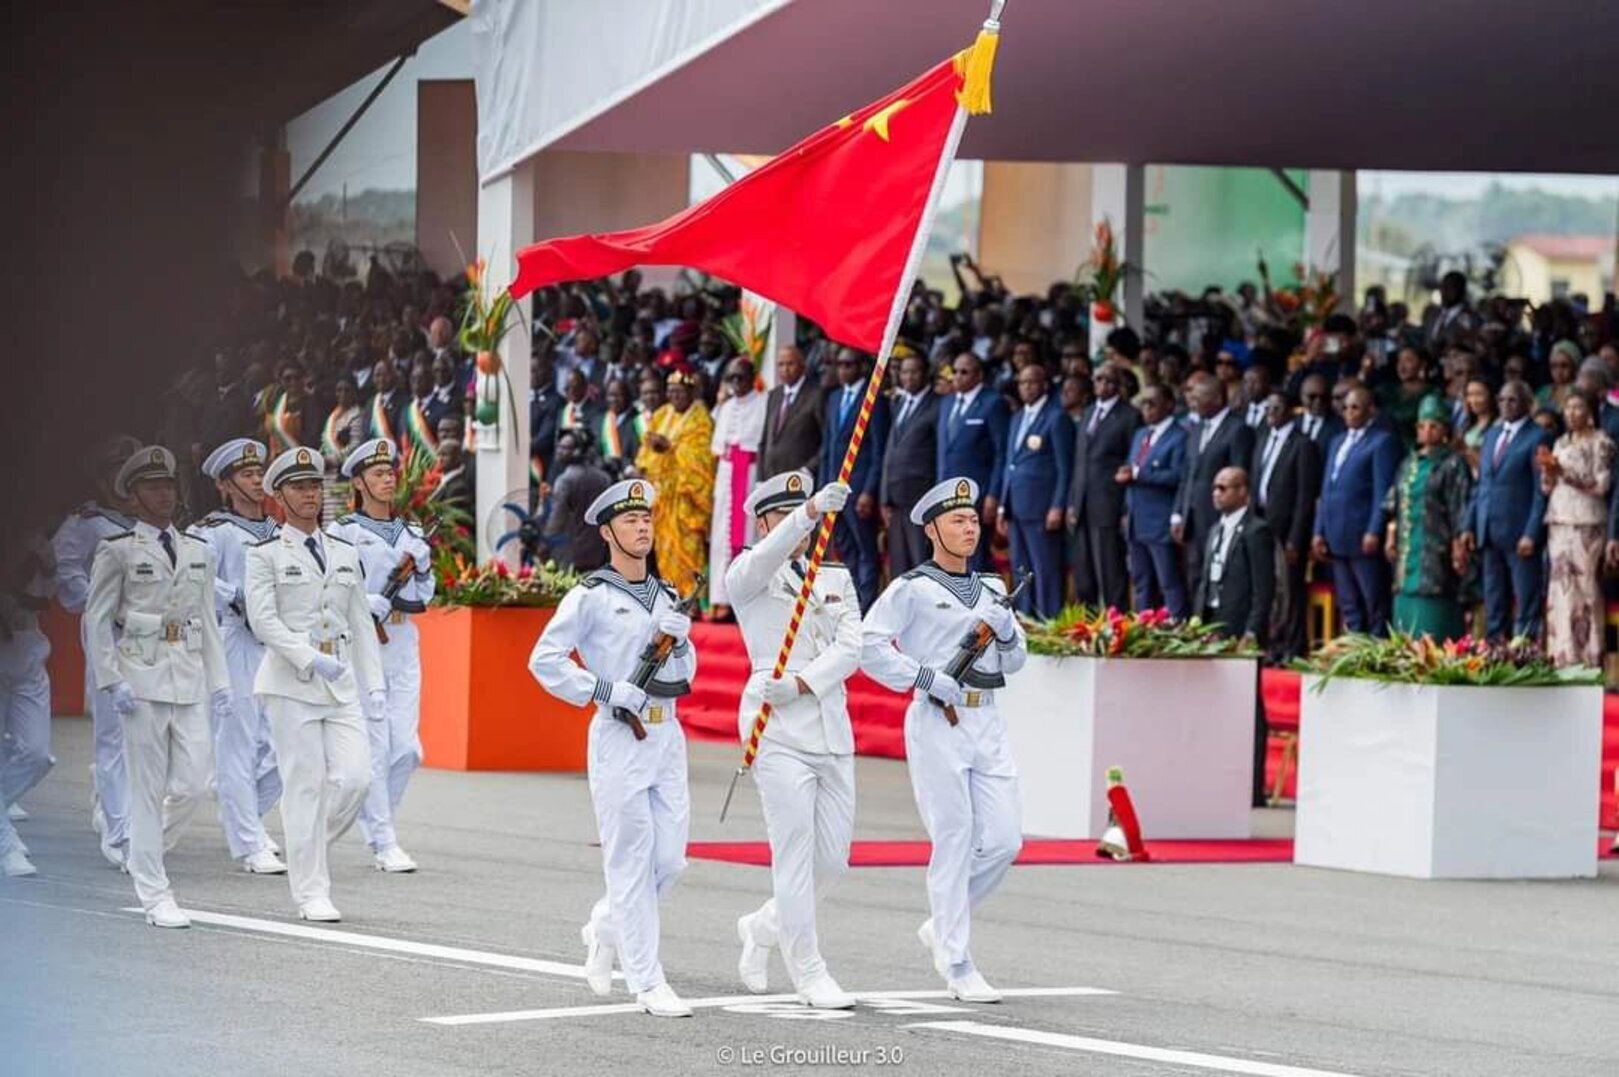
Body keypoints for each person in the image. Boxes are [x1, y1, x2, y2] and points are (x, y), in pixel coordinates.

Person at [527, 479, 698, 1019]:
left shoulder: (668, 594)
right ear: (606, 532)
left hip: (666, 734)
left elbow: (685, 674)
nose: (642, 527)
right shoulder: (591, 595)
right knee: (630, 861)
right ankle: (647, 981)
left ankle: (605, 927)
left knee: (669, 859)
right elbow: (545, 660)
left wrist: (682, 642)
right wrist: (603, 689)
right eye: (630, 521)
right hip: (620, 735)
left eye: (646, 519)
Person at [860, 476, 1026, 1003]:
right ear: (932, 529)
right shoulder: (913, 588)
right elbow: (868, 644)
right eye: (957, 520)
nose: (970, 528)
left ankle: (943, 920)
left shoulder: (995, 589)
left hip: (986, 719)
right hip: (938, 720)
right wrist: (924, 677)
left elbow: (1017, 660)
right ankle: (957, 961)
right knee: (954, 838)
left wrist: (1003, 631)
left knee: (1004, 839)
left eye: (973, 519)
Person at [727, 472, 860, 1008]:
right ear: (763, 522)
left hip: (827, 718)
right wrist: (806, 514)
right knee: (795, 855)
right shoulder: (747, 574)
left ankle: (762, 926)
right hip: (776, 727)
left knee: (833, 860)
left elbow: (853, 644)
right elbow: (765, 557)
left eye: (802, 516)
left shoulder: (833, 577)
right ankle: (809, 971)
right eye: (782, 517)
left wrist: (805, 682)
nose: (797, 527)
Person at [85, 446, 230, 928]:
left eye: (168, 485)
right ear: (133, 497)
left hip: (187, 674)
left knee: (194, 784)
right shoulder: (119, 550)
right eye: (152, 486)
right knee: (146, 791)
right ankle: (154, 892)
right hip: (140, 678)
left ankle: (141, 848)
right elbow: (97, 619)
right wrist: (111, 680)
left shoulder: (197, 551)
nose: (163, 494)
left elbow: (207, 620)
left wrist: (221, 681)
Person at [245, 447, 385, 922]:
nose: (310, 494)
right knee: (304, 787)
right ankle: (310, 892)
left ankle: (305, 846)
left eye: (315, 486)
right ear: (279, 496)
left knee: (357, 778)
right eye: (300, 487)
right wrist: (308, 658)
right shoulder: (264, 554)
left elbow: (361, 622)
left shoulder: (345, 552)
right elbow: (263, 621)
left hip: (340, 682)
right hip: (291, 684)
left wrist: (376, 685)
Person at [328, 437, 435, 874]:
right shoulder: (343, 532)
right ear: (358, 482)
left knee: (407, 749)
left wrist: (423, 568)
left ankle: (375, 821)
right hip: (363, 642)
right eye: (377, 474)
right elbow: (331, 588)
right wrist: (364, 600)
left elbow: (424, 595)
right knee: (376, 745)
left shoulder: (413, 534)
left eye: (391, 472)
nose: (388, 479)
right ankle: (384, 840)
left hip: (401, 640)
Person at [188, 438, 285, 874]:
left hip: (276, 644)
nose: (256, 480)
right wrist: (238, 598)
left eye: (259, 471)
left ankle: (240, 811)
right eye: (246, 474)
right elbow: (194, 579)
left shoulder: (281, 531)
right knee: (238, 745)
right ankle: (248, 843)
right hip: (235, 640)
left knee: (283, 746)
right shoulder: (213, 530)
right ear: (225, 485)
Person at [50, 435, 139, 868]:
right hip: (109, 633)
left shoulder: (152, 521)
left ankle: (111, 794)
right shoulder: (86, 522)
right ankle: (119, 828)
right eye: (116, 472)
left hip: (155, 637)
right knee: (113, 731)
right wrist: (102, 608)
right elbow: (66, 570)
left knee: (152, 732)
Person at [1191, 467, 1273, 806]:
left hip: (1240, 628)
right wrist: (1197, 620)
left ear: (1243, 492)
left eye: (1224, 488)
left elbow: (1264, 588)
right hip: (1213, 624)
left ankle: (1253, 787)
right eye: (1215, 487)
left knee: (1249, 708)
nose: (1217, 493)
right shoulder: (1214, 529)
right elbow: (1204, 579)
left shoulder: (1257, 531)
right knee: (1219, 703)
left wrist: (1253, 631)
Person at [1457, 380, 1550, 641]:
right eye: (1502, 400)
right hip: (1489, 531)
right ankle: (1495, 654)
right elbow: (1481, 485)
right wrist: (1468, 525)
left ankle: (1524, 656)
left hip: (1520, 533)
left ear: (1528, 404)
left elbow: (1539, 491)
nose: (1506, 406)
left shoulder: (1537, 436)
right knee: (1494, 600)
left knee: (1525, 601)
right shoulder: (1492, 435)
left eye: (1513, 400)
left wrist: (1532, 533)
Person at [1311, 387, 1402, 635]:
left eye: (1356, 407)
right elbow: (1326, 489)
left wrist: (1375, 529)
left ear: (1371, 410)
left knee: (1374, 602)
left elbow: (1383, 491)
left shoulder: (1382, 441)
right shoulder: (1337, 441)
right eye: (1346, 407)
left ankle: (1376, 656)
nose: (1349, 412)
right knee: (1349, 603)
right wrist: (1319, 530)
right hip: (1336, 534)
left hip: (1362, 534)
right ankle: (1353, 652)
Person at [1383, 396, 1474, 641]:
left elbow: (1460, 506)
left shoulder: (1453, 463)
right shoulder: (1409, 462)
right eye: (1422, 426)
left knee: (1435, 599)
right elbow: (1394, 500)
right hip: (1407, 546)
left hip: (1437, 547)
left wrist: (1459, 543)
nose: (1427, 431)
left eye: (1434, 425)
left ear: (1445, 430)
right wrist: (1391, 533)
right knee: (1404, 594)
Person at [1541, 388, 1612, 668]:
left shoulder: (1601, 442)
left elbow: (1601, 485)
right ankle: (1563, 655)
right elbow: (1549, 488)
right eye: (1567, 408)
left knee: (1585, 587)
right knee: (1560, 588)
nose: (1571, 413)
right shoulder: (1559, 442)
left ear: (1590, 411)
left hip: (1587, 522)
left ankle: (1590, 655)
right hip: (1559, 520)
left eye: (1578, 407)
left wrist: (1565, 474)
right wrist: (1548, 473)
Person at [0, 523, 55, 876]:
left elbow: (54, 591)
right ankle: (6, 848)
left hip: (26, 646)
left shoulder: (36, 535)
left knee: (36, 755)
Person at [997, 363, 1072, 618]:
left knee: (1046, 569)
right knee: (1022, 569)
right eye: (1022, 382)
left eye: (1032, 382)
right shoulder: (1017, 417)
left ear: (1044, 385)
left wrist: (1058, 505)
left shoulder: (1056, 417)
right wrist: (1002, 506)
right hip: (1017, 507)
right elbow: (1011, 463)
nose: (1026, 387)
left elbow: (1065, 467)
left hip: (1042, 508)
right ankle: (1025, 619)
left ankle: (1048, 620)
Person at [1251, 391, 1322, 661]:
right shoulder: (1262, 438)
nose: (1270, 412)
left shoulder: (1303, 444)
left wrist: (1295, 538)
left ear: (1292, 410)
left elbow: (1305, 496)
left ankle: (1291, 649)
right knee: (1267, 590)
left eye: (1277, 407)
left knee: (1290, 592)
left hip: (1287, 529)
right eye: (1267, 407)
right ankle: (1272, 645)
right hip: (1262, 525)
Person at [821, 349, 890, 611]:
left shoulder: (874, 400)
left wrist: (869, 491)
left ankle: (866, 606)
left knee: (866, 550)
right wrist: (825, 488)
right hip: (836, 490)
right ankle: (851, 602)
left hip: (859, 489)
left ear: (862, 367)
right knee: (845, 548)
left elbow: (878, 449)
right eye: (839, 364)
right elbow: (829, 447)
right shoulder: (834, 398)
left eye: (849, 364)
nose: (843, 370)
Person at [1174, 374, 1257, 594]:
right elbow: (1187, 474)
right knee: (1194, 575)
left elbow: (1239, 476)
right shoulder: (1197, 428)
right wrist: (1178, 513)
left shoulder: (1238, 429)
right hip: (1193, 517)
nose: (1193, 403)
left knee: (1220, 576)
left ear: (1217, 399)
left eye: (1198, 398)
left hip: (1219, 516)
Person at [635, 370, 714, 598]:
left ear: (691, 392)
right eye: (671, 392)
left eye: (680, 392)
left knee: (689, 551)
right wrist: (643, 465)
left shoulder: (701, 418)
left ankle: (693, 599)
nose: (675, 396)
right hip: (662, 497)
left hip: (686, 497)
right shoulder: (662, 414)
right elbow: (647, 448)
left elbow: (703, 458)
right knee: (665, 550)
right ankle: (672, 597)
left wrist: (671, 448)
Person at [1068, 363, 1139, 608]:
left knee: (1111, 571)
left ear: (1119, 385)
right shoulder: (1088, 412)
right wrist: (1072, 501)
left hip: (1109, 503)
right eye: (1098, 379)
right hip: (1082, 503)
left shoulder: (1129, 415)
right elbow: (1078, 461)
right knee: (1084, 572)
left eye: (1109, 380)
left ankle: (1115, 626)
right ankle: (1087, 630)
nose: (1103, 384)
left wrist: (1125, 508)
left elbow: (1131, 459)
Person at [1118, 384, 1188, 618]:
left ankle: (1177, 627)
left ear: (1169, 405)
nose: (1146, 409)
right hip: (1136, 519)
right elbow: (1133, 467)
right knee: (1141, 580)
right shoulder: (1141, 434)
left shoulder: (1180, 436)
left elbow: (1178, 475)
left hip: (1160, 520)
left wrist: (1139, 475)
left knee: (1168, 580)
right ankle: (1144, 627)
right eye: (1143, 404)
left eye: (1152, 403)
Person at [935, 353, 1007, 571]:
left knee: (975, 553)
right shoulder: (947, 402)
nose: (957, 376)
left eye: (964, 372)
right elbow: (943, 451)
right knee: (951, 552)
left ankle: (980, 602)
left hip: (978, 493)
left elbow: (1001, 452)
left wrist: (993, 495)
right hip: (948, 493)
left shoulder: (992, 402)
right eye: (954, 371)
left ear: (979, 375)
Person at [710, 358, 768, 617]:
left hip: (750, 474)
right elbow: (717, 448)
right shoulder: (725, 407)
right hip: (727, 474)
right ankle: (721, 597)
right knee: (722, 534)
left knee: (749, 535)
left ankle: (745, 598)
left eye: (740, 378)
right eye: (730, 378)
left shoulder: (764, 402)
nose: (735, 384)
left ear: (752, 377)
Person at [881, 352, 941, 578]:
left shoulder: (937, 405)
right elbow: (890, 449)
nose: (908, 377)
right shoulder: (899, 404)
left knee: (922, 562)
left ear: (925, 373)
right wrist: (884, 495)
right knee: (900, 565)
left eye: (914, 371)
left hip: (921, 497)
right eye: (904, 371)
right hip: (896, 499)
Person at [542, 429, 612, 570]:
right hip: (599, 554)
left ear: (578, 451)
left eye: (564, 448)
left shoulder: (565, 481)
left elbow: (556, 522)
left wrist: (543, 545)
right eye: (559, 446)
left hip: (570, 556)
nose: (558, 451)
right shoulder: (604, 478)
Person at [757, 345, 824, 482]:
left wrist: (809, 469)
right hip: (772, 479)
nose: (785, 369)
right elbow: (765, 440)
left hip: (799, 481)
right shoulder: (774, 395)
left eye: (790, 364)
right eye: (780, 365)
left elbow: (826, 441)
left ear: (802, 366)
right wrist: (760, 478)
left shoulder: (817, 395)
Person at [319, 375, 367, 521]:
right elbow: (324, 444)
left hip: (345, 477)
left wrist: (331, 460)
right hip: (328, 477)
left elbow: (355, 447)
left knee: (342, 518)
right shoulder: (333, 416)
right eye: (339, 390)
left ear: (354, 392)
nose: (343, 394)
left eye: (347, 390)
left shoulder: (357, 415)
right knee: (328, 520)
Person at [597, 379, 645, 479]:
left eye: (618, 395)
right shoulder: (599, 421)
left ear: (628, 396)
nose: (614, 399)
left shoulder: (638, 421)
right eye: (611, 395)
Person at [1458, 377, 1496, 477]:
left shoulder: (1498, 425)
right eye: (1470, 395)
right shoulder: (1467, 425)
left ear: (1491, 396)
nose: (1473, 400)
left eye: (1479, 394)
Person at [1297, 373, 1343, 452]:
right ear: (1301, 396)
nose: (1318, 401)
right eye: (1312, 396)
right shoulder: (1292, 423)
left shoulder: (1339, 427)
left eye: (1323, 397)